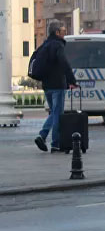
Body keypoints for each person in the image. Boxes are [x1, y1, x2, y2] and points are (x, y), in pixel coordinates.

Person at [33, 21, 77, 153]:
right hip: (58, 85)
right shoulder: (58, 45)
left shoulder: (44, 45)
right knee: (57, 114)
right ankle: (53, 142)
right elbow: (64, 63)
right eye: (63, 31)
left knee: (54, 112)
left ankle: (44, 137)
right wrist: (71, 80)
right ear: (57, 32)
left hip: (47, 85)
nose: (65, 33)